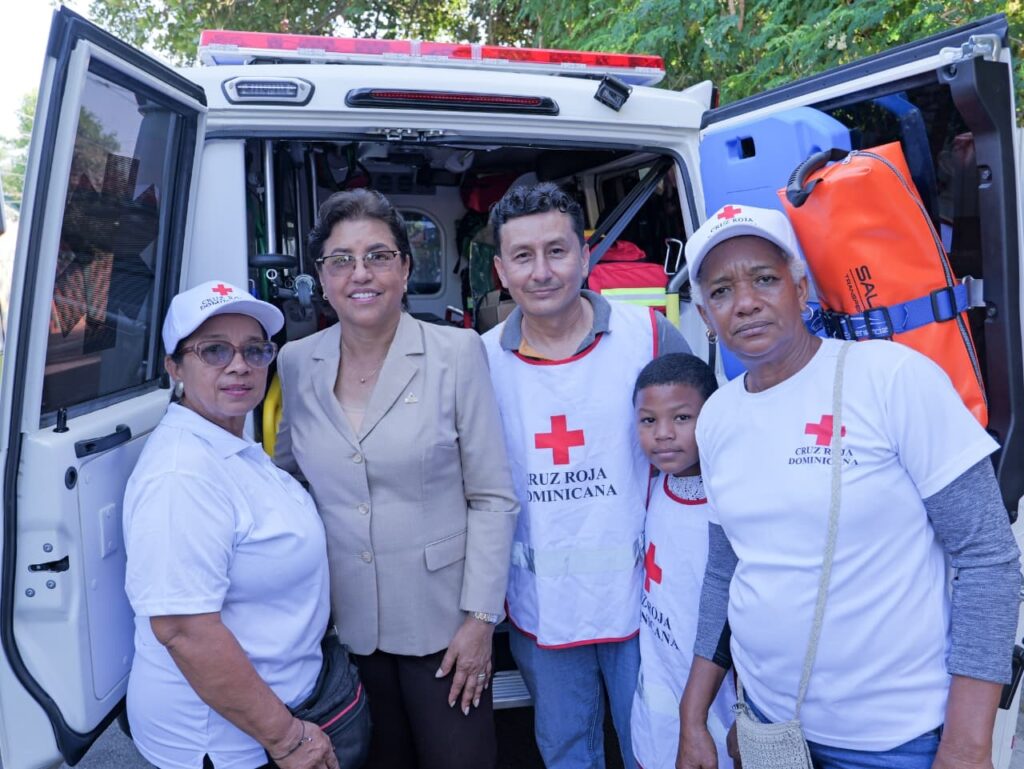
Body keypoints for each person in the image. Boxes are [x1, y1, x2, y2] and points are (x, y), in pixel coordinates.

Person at [676, 204, 1021, 769]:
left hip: (897, 743)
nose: (744, 302)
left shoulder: (890, 378)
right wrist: (697, 716)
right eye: (719, 291)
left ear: (801, 285)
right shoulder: (716, 418)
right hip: (768, 726)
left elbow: (988, 559)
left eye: (764, 278)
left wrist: (965, 744)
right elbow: (725, 570)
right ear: (707, 316)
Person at [274, 188, 519, 769]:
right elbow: (287, 486)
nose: (361, 273)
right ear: (322, 276)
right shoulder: (295, 361)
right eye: (342, 259)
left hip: (445, 627)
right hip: (343, 628)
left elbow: (492, 497)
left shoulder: (455, 353)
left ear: (406, 268)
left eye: (379, 256)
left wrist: (480, 621)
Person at [481, 182, 690, 769]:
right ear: (500, 270)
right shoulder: (479, 361)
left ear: (586, 255)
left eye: (557, 250)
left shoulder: (649, 336)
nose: (542, 271)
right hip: (541, 605)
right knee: (566, 750)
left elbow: (703, 449)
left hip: (647, 598)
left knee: (660, 744)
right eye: (523, 256)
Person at [123, 281, 336, 769]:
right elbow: (184, 630)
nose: (239, 365)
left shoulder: (230, 443)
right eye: (214, 350)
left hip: (262, 723)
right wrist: (286, 739)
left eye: (255, 350)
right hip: (225, 743)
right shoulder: (182, 476)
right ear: (174, 367)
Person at [629, 353, 735, 769]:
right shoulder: (653, 487)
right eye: (649, 421)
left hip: (719, 710)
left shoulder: (727, 507)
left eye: (682, 418)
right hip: (655, 708)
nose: (664, 435)